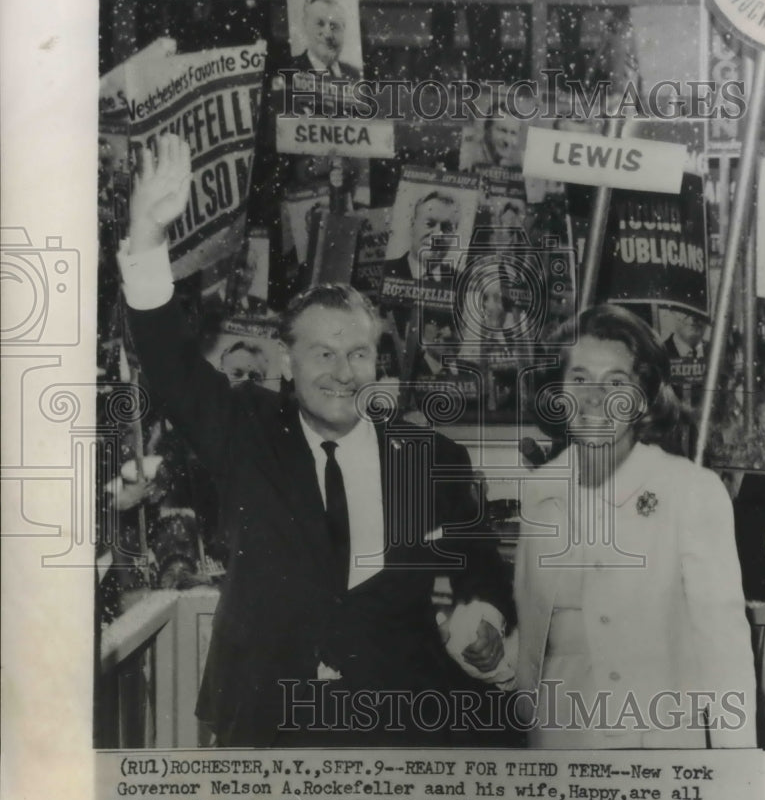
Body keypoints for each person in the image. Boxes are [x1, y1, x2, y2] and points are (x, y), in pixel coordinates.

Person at [118, 133, 516, 747]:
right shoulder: (246, 431)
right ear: (286, 361)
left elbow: (482, 574)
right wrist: (145, 239)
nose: (341, 371)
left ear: (377, 362)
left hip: (394, 729)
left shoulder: (430, 458)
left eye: (358, 353)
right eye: (322, 353)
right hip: (267, 721)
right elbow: (170, 365)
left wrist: (482, 622)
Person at [514, 304, 757, 748]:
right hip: (557, 735)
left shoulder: (690, 491)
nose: (593, 400)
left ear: (643, 394)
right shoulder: (540, 490)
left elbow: (725, 653)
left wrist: (732, 770)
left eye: (615, 383)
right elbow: (536, 638)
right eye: (580, 379)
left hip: (653, 741)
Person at [383, 191, 460, 282]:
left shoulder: (461, 281)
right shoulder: (384, 271)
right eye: (429, 224)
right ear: (412, 226)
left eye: (446, 228)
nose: (437, 235)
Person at [290, 0, 361, 79]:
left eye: (334, 26)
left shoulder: (354, 75)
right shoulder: (291, 71)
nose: (328, 35)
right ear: (305, 26)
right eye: (320, 24)